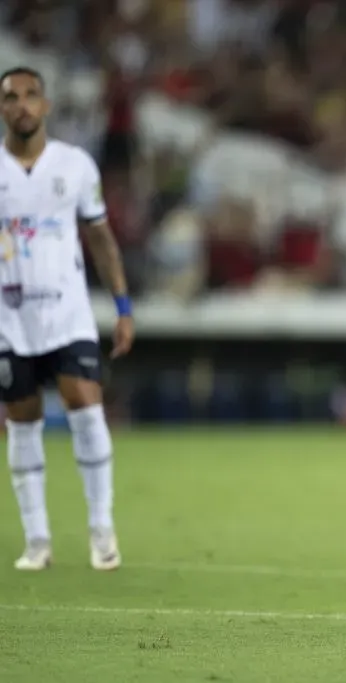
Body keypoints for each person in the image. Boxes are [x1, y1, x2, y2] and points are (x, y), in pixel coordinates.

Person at [0, 66, 134, 571]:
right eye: (11, 97)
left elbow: (100, 238)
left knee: (85, 406)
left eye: (31, 95)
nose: (22, 105)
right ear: (1, 108)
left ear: (47, 104)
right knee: (22, 422)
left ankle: (101, 526)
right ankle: (38, 539)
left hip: (68, 312)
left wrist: (123, 306)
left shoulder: (75, 165)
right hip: (10, 319)